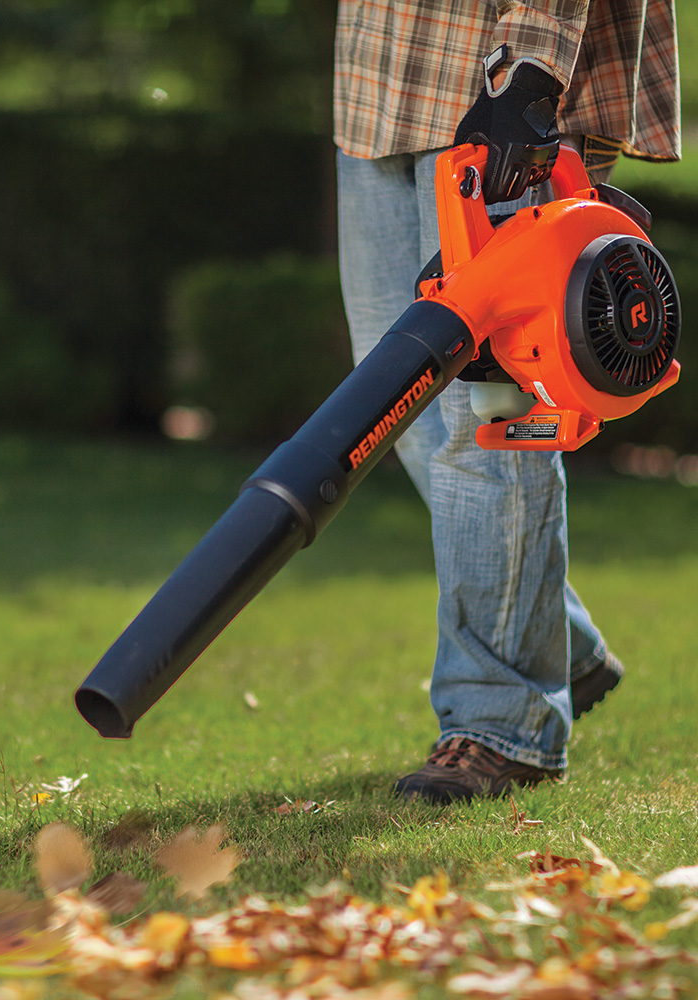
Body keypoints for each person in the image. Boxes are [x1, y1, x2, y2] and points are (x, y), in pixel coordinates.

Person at [334, 1, 681, 803]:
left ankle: (502, 726)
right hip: (379, 85)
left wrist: (529, 73)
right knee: (395, 405)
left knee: (486, 418)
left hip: (496, 85)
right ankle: (560, 643)